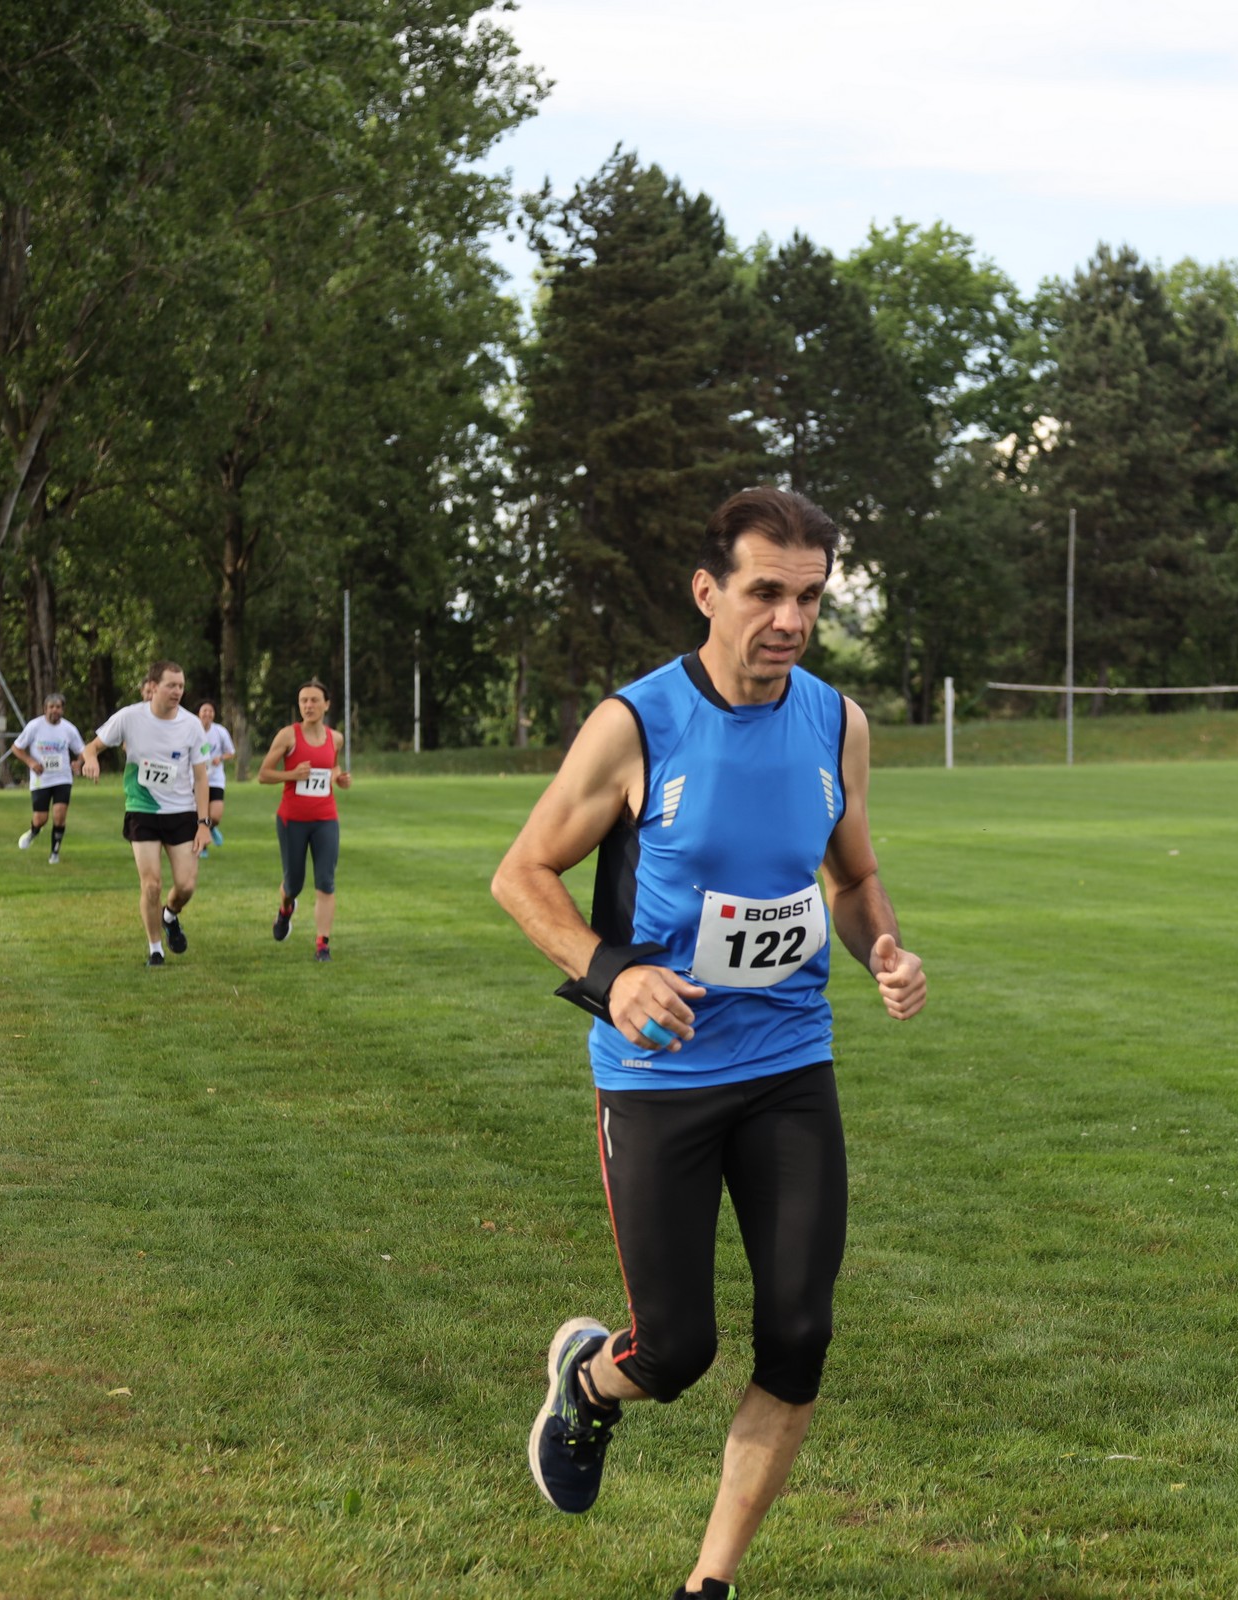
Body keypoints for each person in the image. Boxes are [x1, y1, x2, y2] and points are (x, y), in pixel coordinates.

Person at [490, 487, 927, 1600]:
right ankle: (589, 1382)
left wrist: (883, 948)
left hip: (789, 1061)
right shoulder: (637, 724)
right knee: (675, 1350)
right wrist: (613, 973)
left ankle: (709, 1583)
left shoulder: (836, 722)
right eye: (765, 592)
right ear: (707, 591)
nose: (790, 619)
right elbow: (522, 874)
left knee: (800, 1334)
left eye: (809, 598)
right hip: (659, 1074)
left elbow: (853, 876)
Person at [80, 661, 209, 967]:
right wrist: (91, 760)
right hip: (142, 809)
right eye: (171, 685)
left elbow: (201, 777)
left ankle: (170, 915)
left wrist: (203, 823)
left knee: (186, 886)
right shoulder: (129, 717)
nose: (177, 691)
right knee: (151, 884)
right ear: (153, 686)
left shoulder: (191, 725)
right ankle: (155, 949)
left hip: (181, 812)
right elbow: (91, 747)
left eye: (181, 686)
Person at [256, 681, 348, 961]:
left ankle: (322, 945)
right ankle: (285, 910)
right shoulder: (288, 736)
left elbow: (332, 766)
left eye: (314, 700)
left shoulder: (336, 738)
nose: (308, 706)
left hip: (326, 819)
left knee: (326, 882)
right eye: (303, 701)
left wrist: (339, 778)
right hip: (292, 820)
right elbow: (263, 774)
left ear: (326, 705)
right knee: (293, 884)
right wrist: (291, 775)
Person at [9, 693, 83, 864]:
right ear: (45, 709)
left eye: (58, 707)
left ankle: (55, 852)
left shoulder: (69, 729)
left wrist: (78, 763)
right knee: (41, 819)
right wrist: (31, 762)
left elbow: (81, 750)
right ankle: (33, 831)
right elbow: (16, 748)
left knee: (59, 815)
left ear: (63, 710)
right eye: (51, 707)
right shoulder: (34, 726)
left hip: (62, 778)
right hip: (41, 779)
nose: (55, 710)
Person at [193, 700, 237, 856]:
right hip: (196, 779)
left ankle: (211, 828)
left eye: (210, 711)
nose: (207, 714)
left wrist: (221, 758)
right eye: (204, 710)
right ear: (198, 713)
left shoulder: (220, 731)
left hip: (215, 778)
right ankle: (202, 847)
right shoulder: (192, 730)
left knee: (216, 816)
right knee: (199, 814)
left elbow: (231, 752)